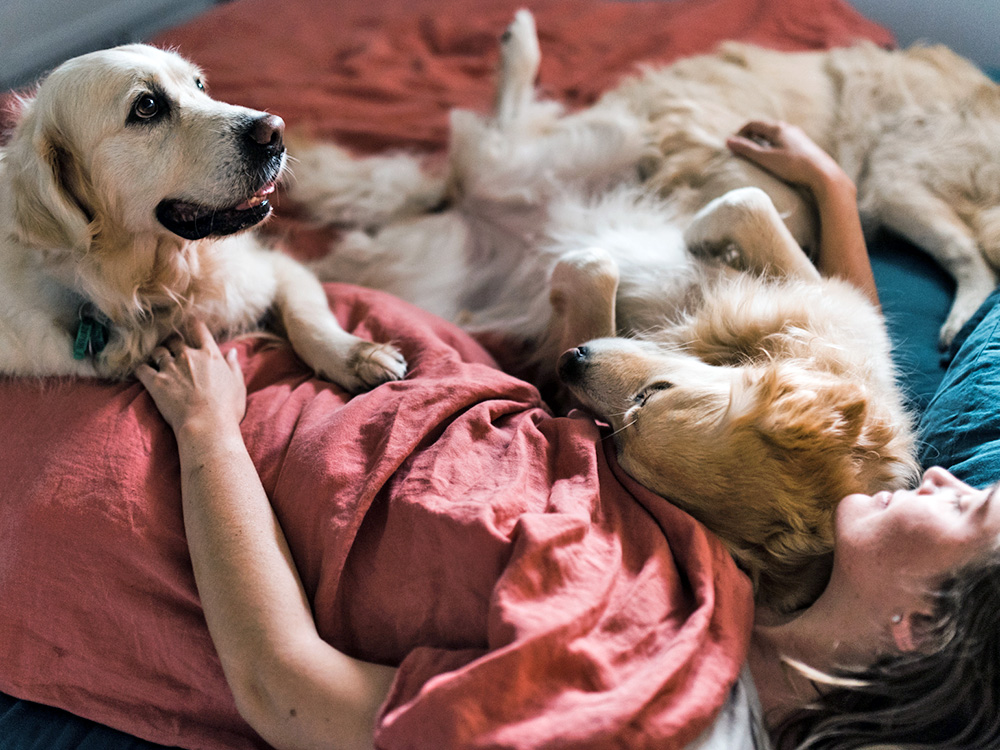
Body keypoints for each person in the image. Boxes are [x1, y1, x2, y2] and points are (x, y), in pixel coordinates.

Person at [136, 122, 1000, 750]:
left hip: (253, 444)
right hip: (413, 369)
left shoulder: (651, 703)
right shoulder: (844, 535)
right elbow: (852, 366)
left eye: (970, 511)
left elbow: (289, 695)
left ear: (920, 628)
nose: (951, 481)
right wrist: (832, 191)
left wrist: (206, 432)